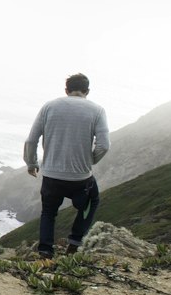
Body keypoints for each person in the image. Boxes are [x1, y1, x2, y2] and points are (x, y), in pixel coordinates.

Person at [23, 73, 109, 258]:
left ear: (66, 90)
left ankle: (45, 251)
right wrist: (90, 160)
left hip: (52, 176)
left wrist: (31, 163)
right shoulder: (97, 110)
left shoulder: (49, 106)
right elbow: (104, 145)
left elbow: (31, 140)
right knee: (92, 201)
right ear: (87, 91)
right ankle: (75, 242)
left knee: (48, 212)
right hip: (81, 178)